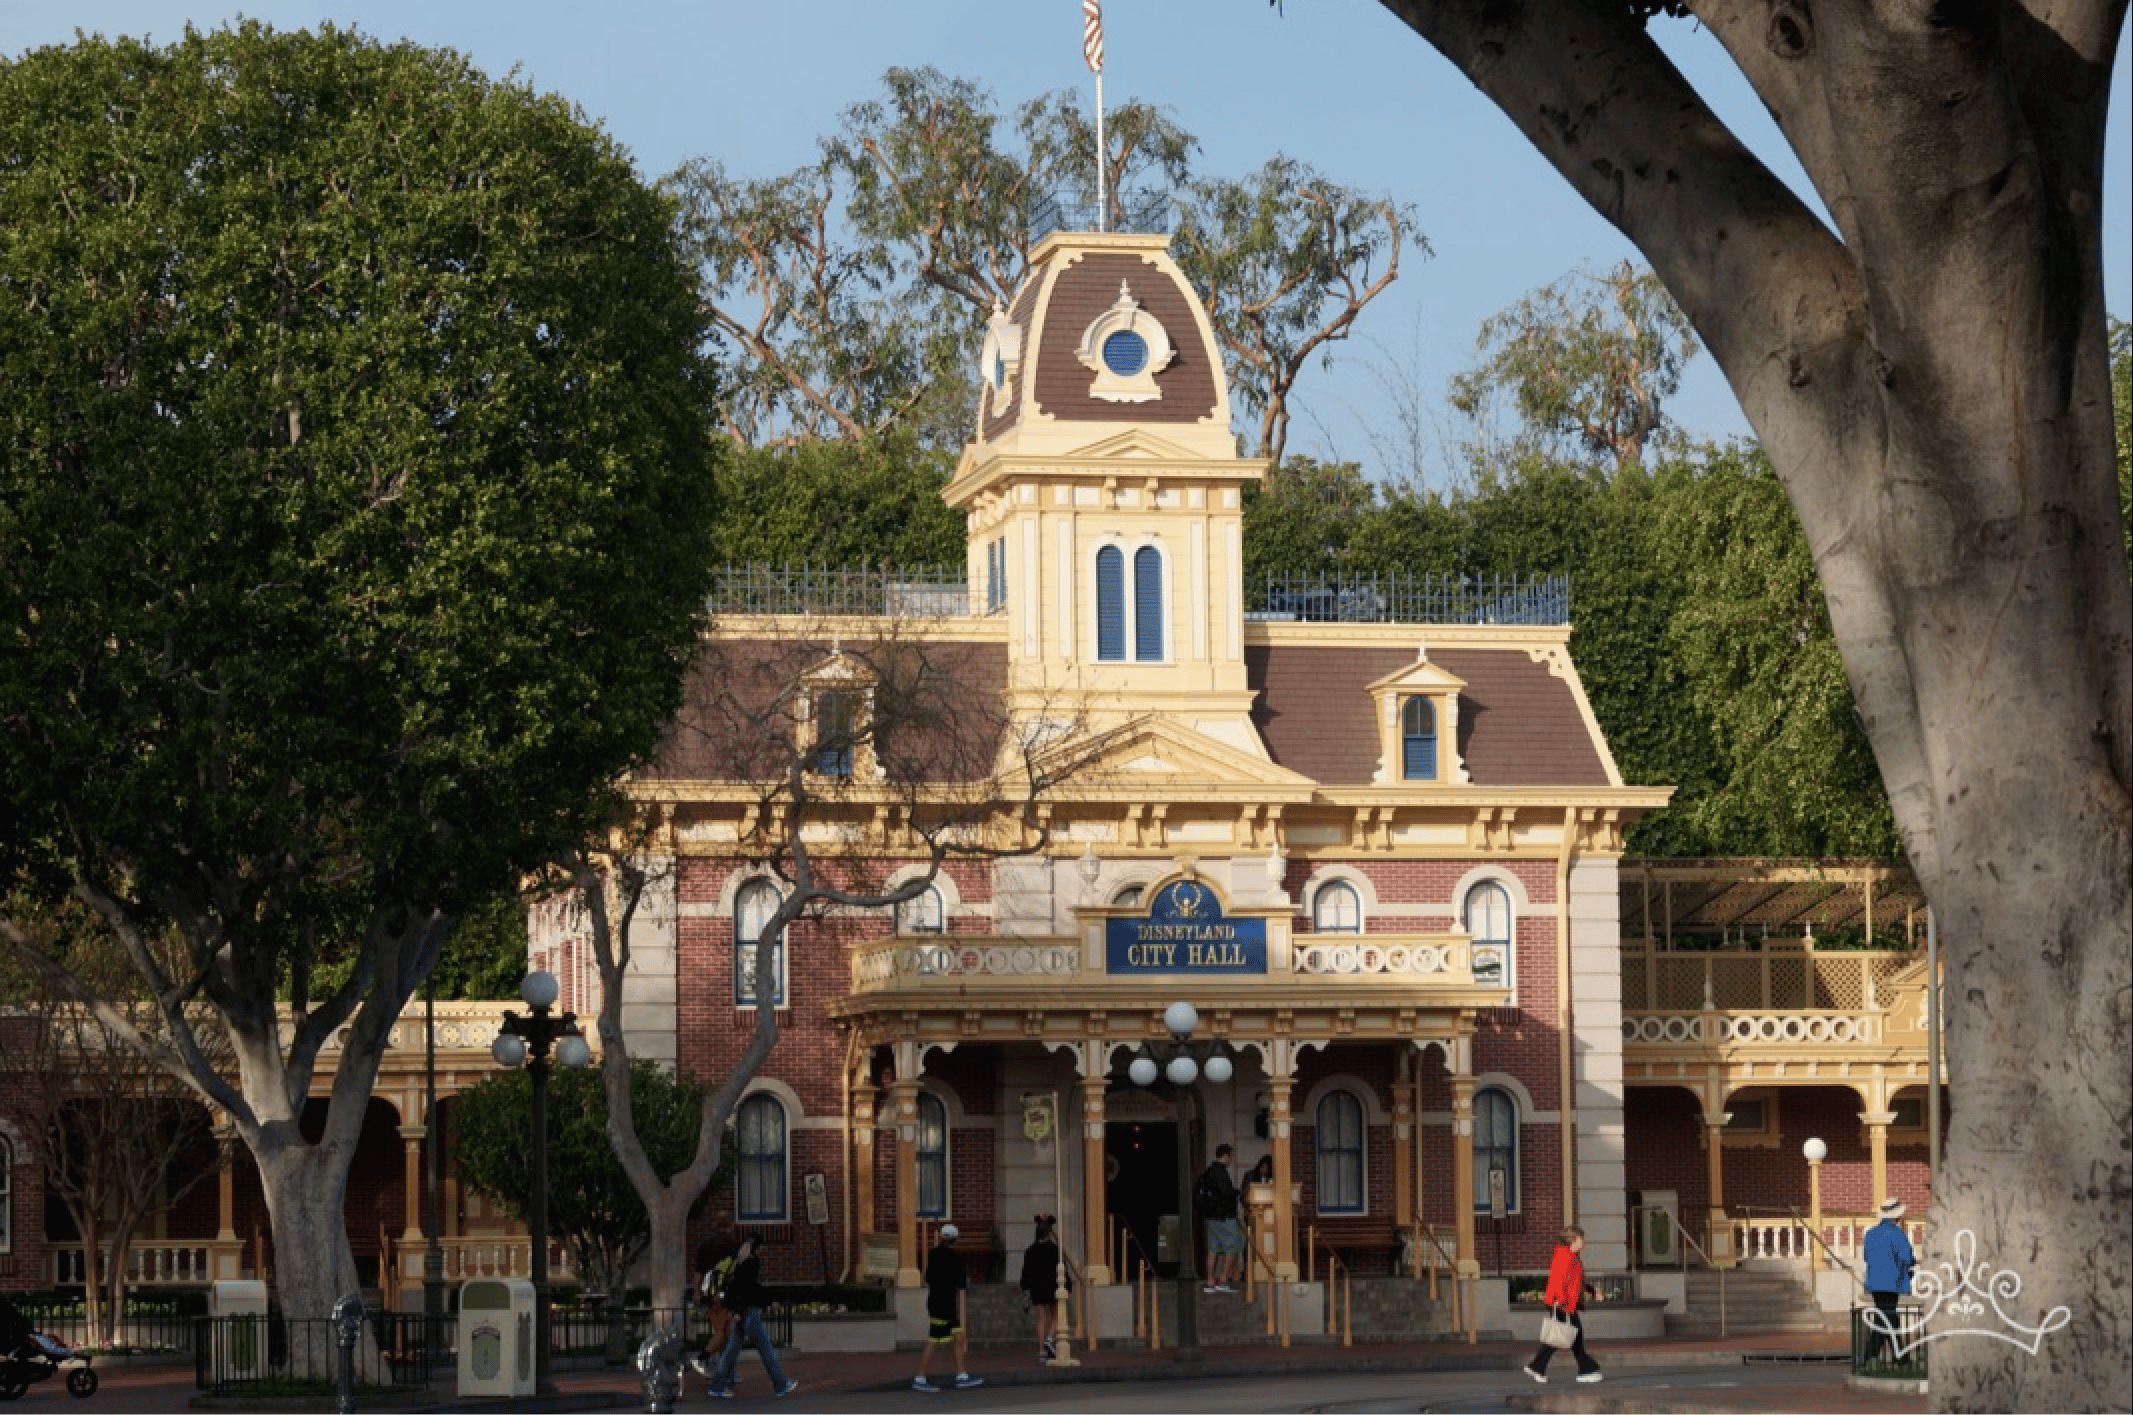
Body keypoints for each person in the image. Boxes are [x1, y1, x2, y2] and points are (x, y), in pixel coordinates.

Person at [704, 1233, 798, 1400]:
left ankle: (717, 1386)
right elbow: (748, 1290)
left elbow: (739, 1289)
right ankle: (780, 1384)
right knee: (765, 1350)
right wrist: (766, 1302)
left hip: (741, 1312)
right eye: (761, 1246)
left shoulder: (740, 1261)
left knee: (731, 1351)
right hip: (749, 1313)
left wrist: (737, 1311)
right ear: (758, 1247)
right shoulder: (751, 1262)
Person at [1522, 1224, 1603, 1385]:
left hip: (1567, 1304)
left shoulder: (1573, 1257)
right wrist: (1561, 1302)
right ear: (1572, 1240)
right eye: (1581, 1239)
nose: (1584, 1242)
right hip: (1562, 1304)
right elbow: (1557, 1281)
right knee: (1571, 1338)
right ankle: (1587, 1370)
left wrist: (1593, 1292)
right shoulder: (1564, 1257)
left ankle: (1537, 1367)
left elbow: (1579, 1281)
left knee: (1562, 1338)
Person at [912, 1224, 985, 1392]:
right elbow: (961, 1282)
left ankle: (961, 1375)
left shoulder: (933, 1254)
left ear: (941, 1237)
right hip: (945, 1305)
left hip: (936, 1303)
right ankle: (920, 1378)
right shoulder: (955, 1258)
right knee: (933, 1341)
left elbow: (928, 1277)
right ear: (955, 1239)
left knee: (958, 1337)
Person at [1862, 1196, 1916, 1366]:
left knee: (1885, 1318)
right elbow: (1907, 1257)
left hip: (1875, 1283)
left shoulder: (1870, 1233)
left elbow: (1866, 1257)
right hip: (1892, 1282)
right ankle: (1888, 1356)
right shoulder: (1897, 1234)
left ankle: (1891, 1356)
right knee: (1888, 1319)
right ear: (1896, 1216)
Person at [690, 1232, 740, 1387]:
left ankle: (726, 1372)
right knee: (722, 1334)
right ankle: (702, 1360)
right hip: (723, 1299)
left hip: (709, 1297)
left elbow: (698, 1272)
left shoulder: (705, 1247)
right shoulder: (732, 1248)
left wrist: (696, 1292)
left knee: (723, 1335)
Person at [1019, 1214, 1070, 1362]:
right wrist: (1068, 1286)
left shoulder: (1030, 1251)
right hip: (1052, 1286)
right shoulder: (1055, 1250)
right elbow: (1063, 1269)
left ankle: (1042, 1350)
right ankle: (1049, 1338)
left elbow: (1025, 1273)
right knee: (1056, 1315)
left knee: (1040, 1319)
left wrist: (1025, 1289)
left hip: (1037, 1287)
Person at [1197, 1143, 1243, 1293]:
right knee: (1234, 1244)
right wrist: (1236, 1192)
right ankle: (1223, 1280)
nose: (1231, 1159)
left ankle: (1210, 1281)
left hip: (1211, 1216)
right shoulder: (1220, 1172)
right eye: (1230, 1156)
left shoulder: (1209, 1171)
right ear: (1226, 1155)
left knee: (1213, 1249)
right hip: (1224, 1216)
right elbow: (1226, 1193)